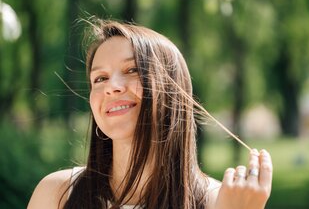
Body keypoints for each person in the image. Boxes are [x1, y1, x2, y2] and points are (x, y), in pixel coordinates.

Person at [27, 20, 273, 209]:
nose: (112, 86)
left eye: (132, 69)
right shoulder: (56, 194)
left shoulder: (218, 202)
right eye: (99, 78)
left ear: (172, 91)